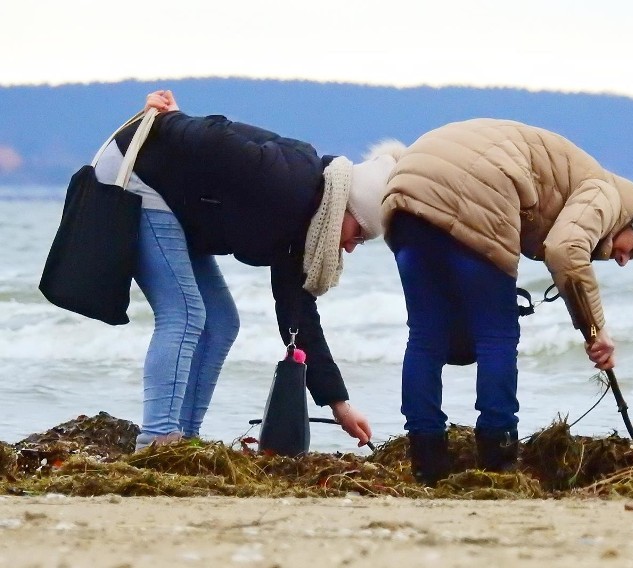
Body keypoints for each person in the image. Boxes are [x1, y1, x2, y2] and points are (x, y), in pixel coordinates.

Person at [95, 90, 405, 451]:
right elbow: (213, 136)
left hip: (177, 201)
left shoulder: (306, 222)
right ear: (345, 211)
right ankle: (156, 439)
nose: (351, 247)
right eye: (360, 235)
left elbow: (298, 315)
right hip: (137, 173)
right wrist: (169, 117)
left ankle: (184, 438)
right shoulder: (285, 179)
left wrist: (340, 405)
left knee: (222, 322)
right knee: (184, 313)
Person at [381, 118, 633, 485]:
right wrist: (595, 330)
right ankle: (498, 456)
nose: (622, 260)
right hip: (476, 186)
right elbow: (565, 249)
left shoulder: (585, 178)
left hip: (405, 187)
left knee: (426, 335)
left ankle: (426, 459)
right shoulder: (609, 193)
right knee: (497, 333)